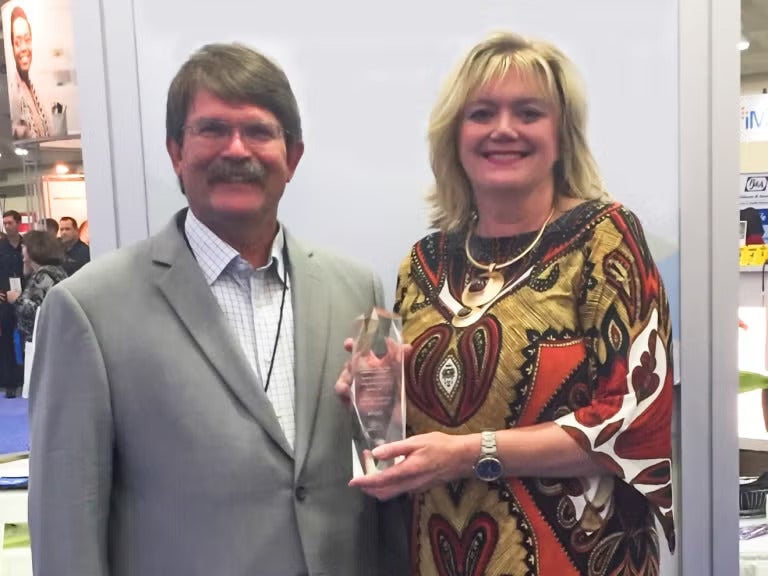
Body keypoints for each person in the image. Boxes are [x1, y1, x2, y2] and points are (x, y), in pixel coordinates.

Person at [28, 42, 405, 576]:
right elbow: (65, 526)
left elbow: (385, 466)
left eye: (258, 130)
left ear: (292, 157)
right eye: (211, 130)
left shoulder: (359, 290)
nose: (236, 149)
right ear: (176, 152)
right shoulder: (87, 309)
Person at [338, 32, 674, 575]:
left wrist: (473, 453)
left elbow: (632, 418)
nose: (503, 129)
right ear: (454, 136)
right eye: (482, 113)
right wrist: (375, 398)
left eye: (528, 112)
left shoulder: (605, 237)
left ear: (561, 137)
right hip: (441, 557)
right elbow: (411, 433)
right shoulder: (422, 263)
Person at [6, 230, 67, 342]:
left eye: (24, 247)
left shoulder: (43, 276)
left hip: (41, 340)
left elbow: (36, 312)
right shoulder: (56, 271)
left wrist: (16, 300)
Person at [8, 6, 49, 140]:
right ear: (12, 47)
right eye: (18, 42)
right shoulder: (12, 96)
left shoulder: (35, 91)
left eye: (27, 39)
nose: (24, 48)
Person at [0, 210, 23, 397]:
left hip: (26, 298)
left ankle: (26, 378)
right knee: (6, 340)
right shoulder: (0, 247)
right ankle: (9, 382)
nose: (7, 226)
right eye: (4, 223)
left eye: (10, 223)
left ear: (18, 223)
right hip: (5, 299)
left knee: (26, 339)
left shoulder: (27, 246)